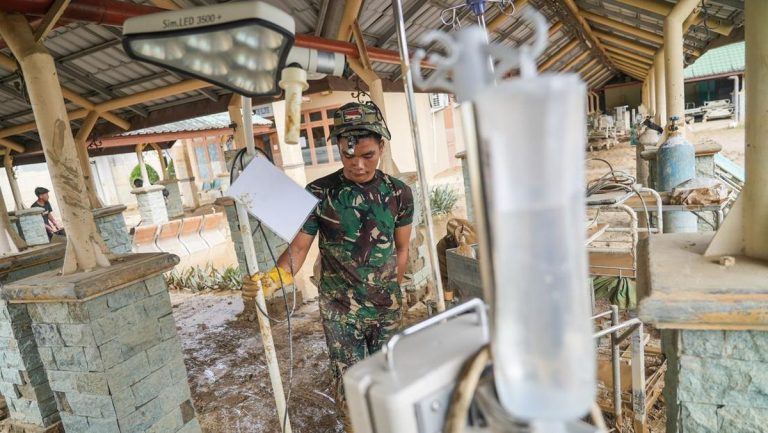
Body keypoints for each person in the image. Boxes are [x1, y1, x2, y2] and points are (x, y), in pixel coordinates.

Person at [252, 102, 414, 430]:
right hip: (341, 315)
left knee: (391, 387)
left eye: (368, 155)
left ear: (381, 146)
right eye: (347, 155)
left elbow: (402, 248)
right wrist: (272, 279)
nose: (357, 165)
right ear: (339, 149)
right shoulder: (321, 192)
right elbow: (299, 248)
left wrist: (391, 293)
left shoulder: (399, 193)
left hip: (386, 311)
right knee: (351, 389)